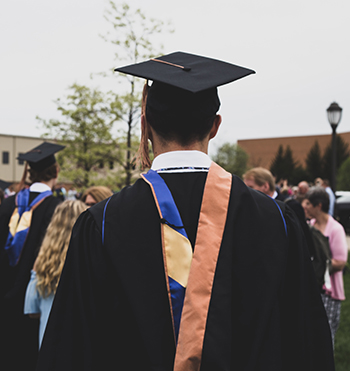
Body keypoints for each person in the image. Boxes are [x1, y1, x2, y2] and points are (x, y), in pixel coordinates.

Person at [36, 52, 334, 371]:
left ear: (146, 125)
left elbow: (70, 349)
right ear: (215, 126)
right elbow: (306, 343)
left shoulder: (102, 223)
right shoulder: (276, 221)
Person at [0, 142, 64, 371]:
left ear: (29, 172)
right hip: (33, 305)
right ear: (56, 172)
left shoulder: (8, 204)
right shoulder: (57, 208)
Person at [24, 200, 87, 348]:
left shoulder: (43, 262)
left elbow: (31, 309)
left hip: (49, 343)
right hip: (82, 342)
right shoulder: (89, 258)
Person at [303, 186, 348, 347]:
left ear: (319, 206)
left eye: (308, 203)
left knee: (325, 337)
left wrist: (317, 265)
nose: (304, 206)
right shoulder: (310, 225)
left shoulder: (336, 229)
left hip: (330, 292)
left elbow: (340, 262)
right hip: (313, 287)